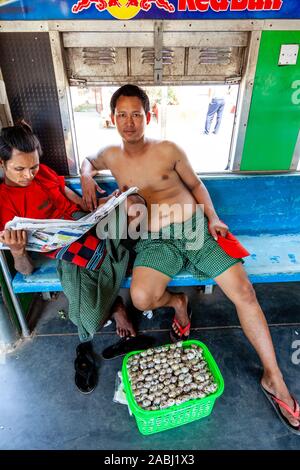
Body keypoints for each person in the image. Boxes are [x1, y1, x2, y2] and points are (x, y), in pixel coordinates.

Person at [80, 84, 300, 433]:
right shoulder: (110, 153)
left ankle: (274, 379)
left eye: (136, 114)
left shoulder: (168, 149)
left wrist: (213, 217)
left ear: (148, 116)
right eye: (121, 115)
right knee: (141, 297)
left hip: (195, 230)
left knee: (244, 292)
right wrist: (85, 175)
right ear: (113, 118)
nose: (129, 122)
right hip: (154, 240)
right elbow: (89, 159)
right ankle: (178, 302)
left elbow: (197, 187)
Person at [0, 121, 138, 394]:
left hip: (84, 227)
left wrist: (102, 206)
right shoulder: (4, 203)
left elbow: (74, 202)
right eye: (19, 169)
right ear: (2, 164)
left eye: (34, 166)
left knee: (134, 208)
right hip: (66, 251)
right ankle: (116, 305)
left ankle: (114, 285)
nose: (29, 175)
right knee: (90, 319)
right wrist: (17, 251)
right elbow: (25, 270)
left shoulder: (43, 174)